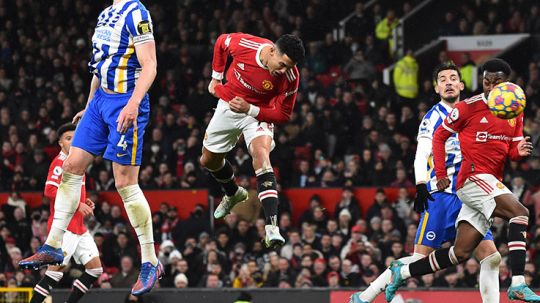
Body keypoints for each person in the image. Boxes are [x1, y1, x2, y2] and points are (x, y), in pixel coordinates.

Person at [19, 0, 162, 296]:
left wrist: (134, 104)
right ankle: (53, 246)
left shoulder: (138, 12)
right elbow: (99, 68)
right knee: (71, 167)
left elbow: (150, 65)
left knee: (125, 184)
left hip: (126, 100)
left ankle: (150, 261)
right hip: (100, 102)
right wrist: (89, 107)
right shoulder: (105, 14)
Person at [385, 58, 539, 301]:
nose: (490, 87)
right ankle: (518, 282)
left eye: (496, 82)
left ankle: (402, 271)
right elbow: (438, 137)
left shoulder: (514, 109)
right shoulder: (468, 107)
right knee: (520, 212)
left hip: (490, 180)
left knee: (461, 252)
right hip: (471, 178)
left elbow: (511, 150)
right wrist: (440, 176)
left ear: (506, 83)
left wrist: (517, 153)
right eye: (486, 82)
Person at [350, 62, 500, 303]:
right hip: (441, 196)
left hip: (469, 197)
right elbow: (421, 154)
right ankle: (365, 296)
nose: (449, 82)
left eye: (453, 78)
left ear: (461, 85)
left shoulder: (471, 113)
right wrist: (421, 184)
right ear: (436, 88)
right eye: (443, 79)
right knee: (419, 260)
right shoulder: (433, 118)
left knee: (491, 257)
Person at [200, 32, 305, 248]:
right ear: (273, 51)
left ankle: (272, 227)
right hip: (229, 104)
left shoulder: (291, 76)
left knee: (261, 157)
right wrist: (216, 77)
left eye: (289, 67)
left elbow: (284, 115)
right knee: (208, 160)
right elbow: (220, 42)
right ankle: (233, 192)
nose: (284, 71)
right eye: (283, 64)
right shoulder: (245, 45)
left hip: (258, 113)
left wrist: (251, 109)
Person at [30, 124, 103, 303]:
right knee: (55, 273)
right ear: (60, 143)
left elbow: (72, 191)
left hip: (79, 226)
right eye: (67, 138)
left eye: (74, 138)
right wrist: (78, 204)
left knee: (95, 270)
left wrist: (84, 201)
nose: (72, 141)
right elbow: (49, 191)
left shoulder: (77, 161)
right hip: (64, 227)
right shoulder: (59, 162)